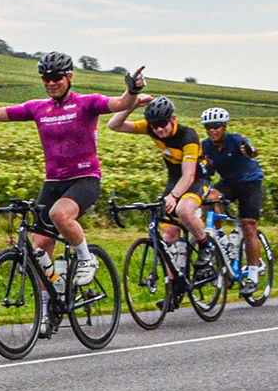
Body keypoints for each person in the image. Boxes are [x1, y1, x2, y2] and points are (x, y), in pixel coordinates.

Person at [0, 53, 144, 292]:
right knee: (39, 250)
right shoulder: (39, 108)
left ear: (69, 77)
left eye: (56, 77)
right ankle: (50, 305)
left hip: (84, 179)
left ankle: (85, 258)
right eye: (46, 78)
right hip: (53, 182)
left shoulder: (87, 103)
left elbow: (121, 104)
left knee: (60, 215)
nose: (51, 82)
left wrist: (132, 91)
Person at [108, 96, 215, 309]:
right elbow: (114, 125)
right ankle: (174, 288)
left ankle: (205, 245)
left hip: (196, 179)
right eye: (154, 126)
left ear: (173, 119)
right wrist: (130, 105)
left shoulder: (188, 137)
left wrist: (174, 197)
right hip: (174, 180)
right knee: (167, 236)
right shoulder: (150, 127)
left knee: (184, 210)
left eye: (163, 125)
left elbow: (189, 175)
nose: (158, 130)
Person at [199, 107, 268, 296]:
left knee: (248, 225)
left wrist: (249, 150)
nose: (212, 130)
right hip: (228, 183)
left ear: (224, 127)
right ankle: (219, 235)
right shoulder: (205, 145)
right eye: (208, 127)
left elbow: (252, 151)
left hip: (250, 182)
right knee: (210, 195)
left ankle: (252, 275)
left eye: (216, 126)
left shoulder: (236, 140)